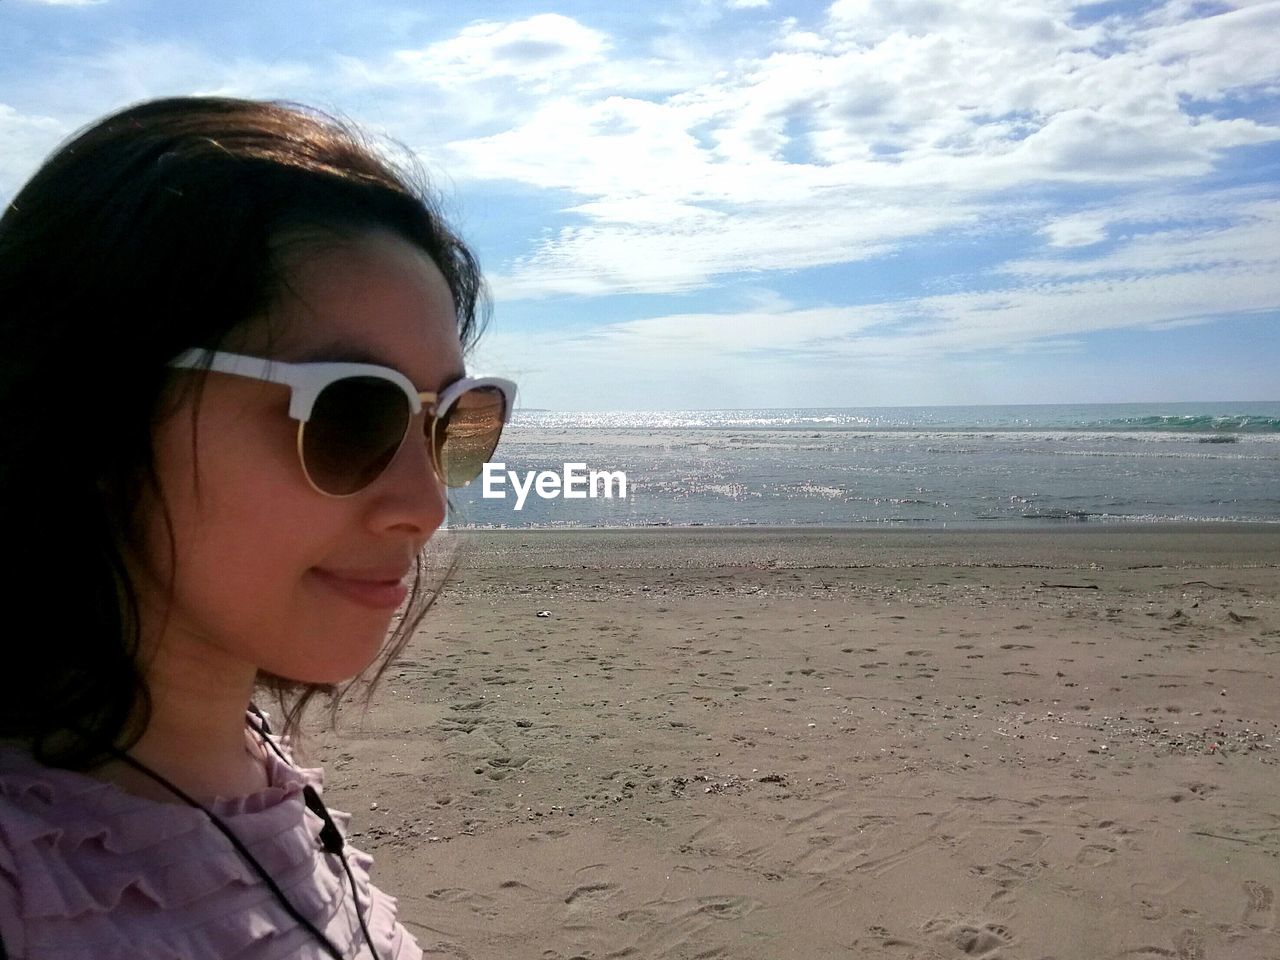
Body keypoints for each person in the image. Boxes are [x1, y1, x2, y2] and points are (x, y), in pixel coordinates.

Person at [0, 96, 516, 959]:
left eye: (451, 422)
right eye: (353, 413)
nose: (426, 506)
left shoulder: (252, 770)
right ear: (95, 406)